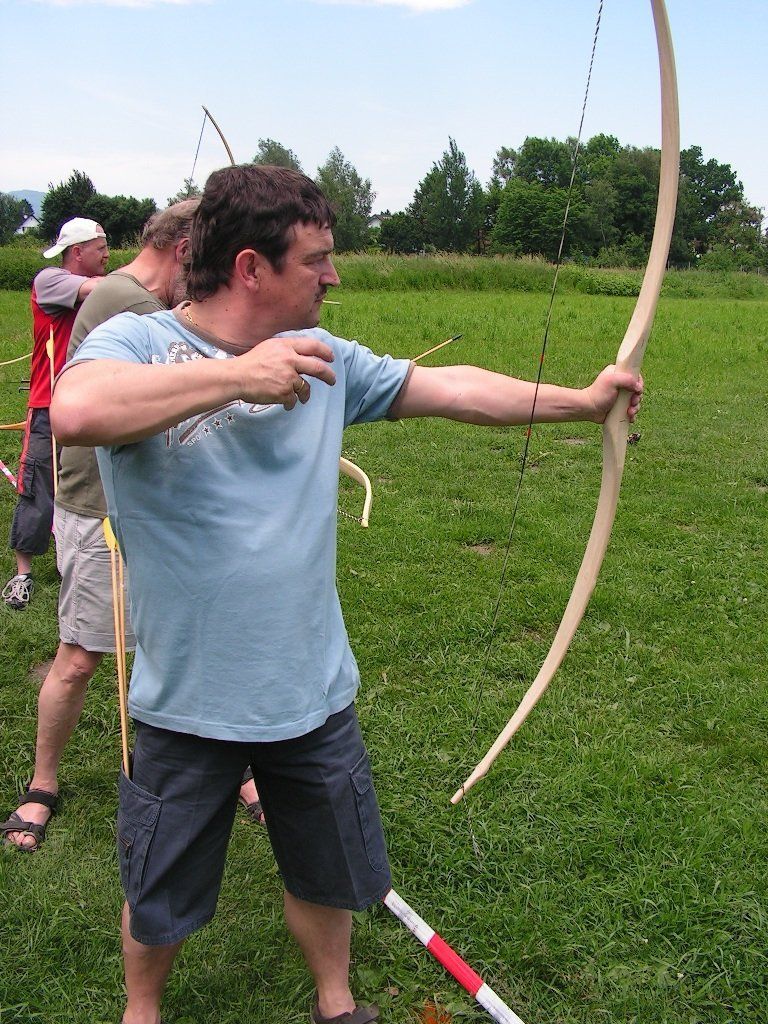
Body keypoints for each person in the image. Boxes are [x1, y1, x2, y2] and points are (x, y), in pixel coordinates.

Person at [50, 165, 643, 1024]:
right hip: (185, 700)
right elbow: (77, 411)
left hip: (311, 692)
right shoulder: (138, 341)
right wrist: (238, 376)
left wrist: (582, 403)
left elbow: (453, 388)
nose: (334, 277)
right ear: (251, 267)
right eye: (317, 259)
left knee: (326, 876)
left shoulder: (325, 356)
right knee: (159, 894)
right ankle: (142, 1011)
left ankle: (337, 1001)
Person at [0, 200, 262, 852]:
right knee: (81, 656)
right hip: (104, 508)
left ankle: (235, 770)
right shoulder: (128, 304)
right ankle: (42, 784)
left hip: (166, 502)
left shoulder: (145, 301)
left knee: (196, 641)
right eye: (208, 261)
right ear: (185, 251)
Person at [3, 217, 109, 611]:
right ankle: (23, 574)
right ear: (77, 251)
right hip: (48, 403)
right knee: (37, 483)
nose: (108, 255)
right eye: (101, 248)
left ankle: (78, 561)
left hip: (87, 402)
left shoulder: (102, 285)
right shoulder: (50, 280)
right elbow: (98, 290)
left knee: (84, 487)